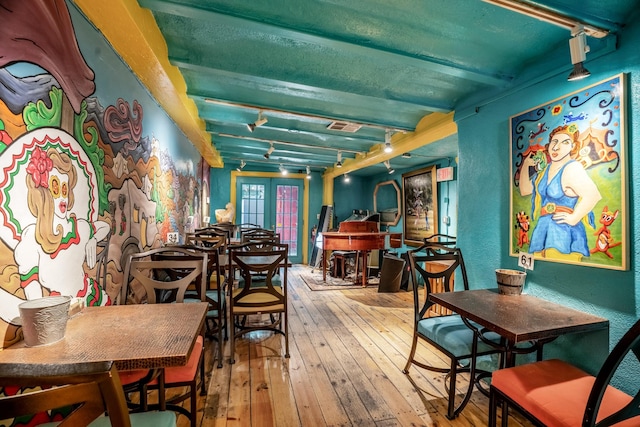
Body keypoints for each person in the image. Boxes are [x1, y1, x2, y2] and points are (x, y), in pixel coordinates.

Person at [0, 147, 110, 324]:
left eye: (65, 189)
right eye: (55, 187)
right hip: (61, 312)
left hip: (92, 299)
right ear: (43, 194)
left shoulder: (78, 227)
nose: (63, 198)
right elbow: (31, 285)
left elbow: (104, 226)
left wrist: (93, 239)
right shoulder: (31, 239)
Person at [519, 124, 601, 260]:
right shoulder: (546, 169)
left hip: (563, 232)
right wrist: (526, 166)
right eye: (554, 142)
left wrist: (574, 218)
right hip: (543, 228)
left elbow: (593, 195)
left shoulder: (572, 168)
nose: (556, 147)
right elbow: (525, 190)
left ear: (573, 147)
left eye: (565, 142)